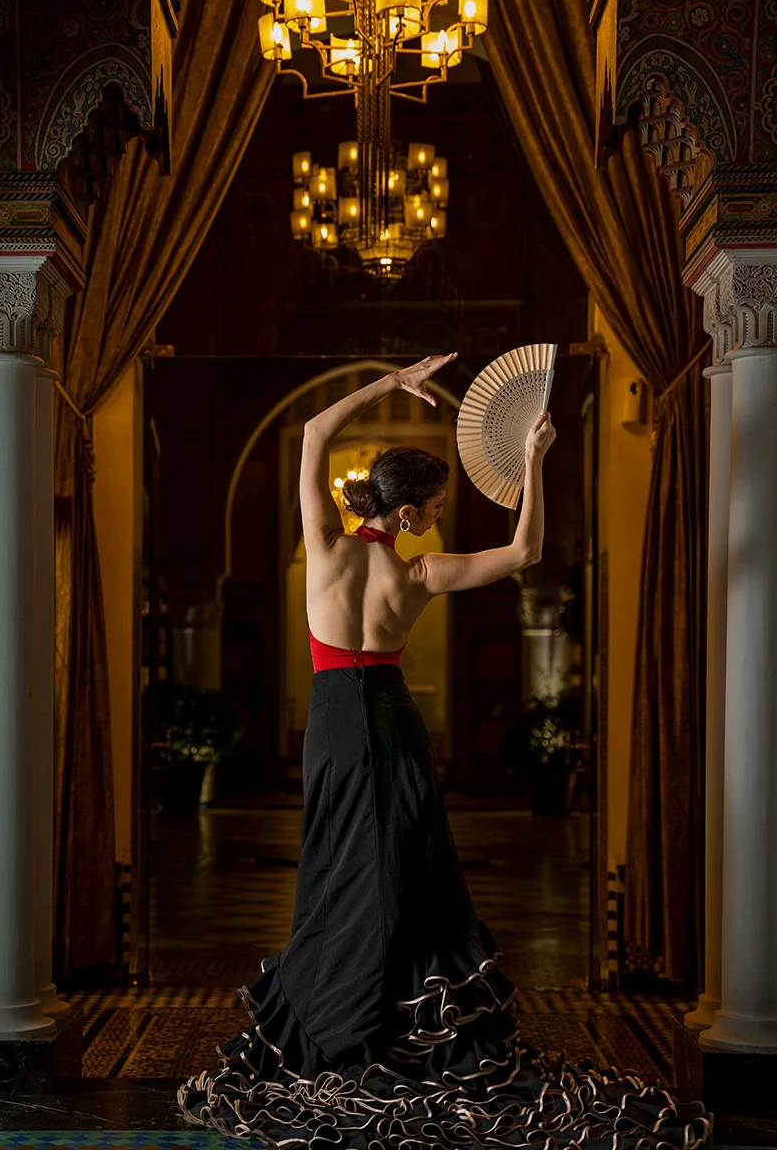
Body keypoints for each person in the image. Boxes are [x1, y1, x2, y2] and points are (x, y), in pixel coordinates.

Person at [177, 355, 711, 1149]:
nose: (437, 514)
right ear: (415, 511)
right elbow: (525, 553)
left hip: (332, 718)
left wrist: (390, 383)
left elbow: (320, 428)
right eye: (435, 504)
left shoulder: (321, 542)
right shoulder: (419, 572)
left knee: (337, 863)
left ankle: (333, 1014)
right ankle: (405, 1019)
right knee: (407, 868)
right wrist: (533, 459)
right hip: (391, 718)